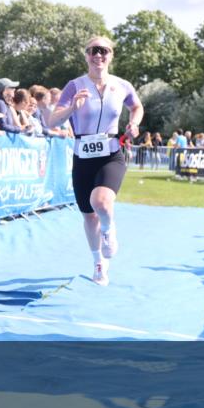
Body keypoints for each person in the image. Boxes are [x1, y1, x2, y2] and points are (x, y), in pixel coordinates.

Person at [43, 35, 143, 286]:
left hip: (111, 153)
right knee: (89, 215)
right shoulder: (74, 85)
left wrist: (134, 124)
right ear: (86, 55)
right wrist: (71, 108)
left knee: (101, 202)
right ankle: (99, 264)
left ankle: (110, 232)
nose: (98, 55)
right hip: (82, 156)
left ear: (111, 55)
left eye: (103, 51)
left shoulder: (122, 85)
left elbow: (137, 107)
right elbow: (52, 122)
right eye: (92, 51)